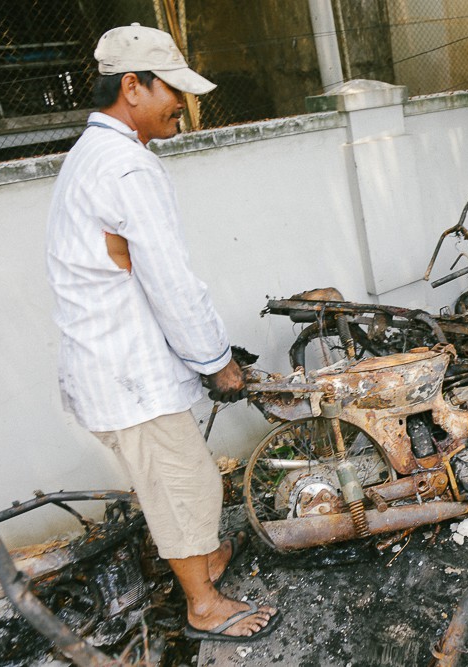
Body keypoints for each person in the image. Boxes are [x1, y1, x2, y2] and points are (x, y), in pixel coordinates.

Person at [46, 24, 278, 641]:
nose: (183, 102)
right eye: (172, 89)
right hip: (126, 372)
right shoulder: (125, 167)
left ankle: (203, 564)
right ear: (132, 87)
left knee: (184, 477)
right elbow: (170, 281)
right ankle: (203, 606)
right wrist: (217, 361)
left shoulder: (97, 156)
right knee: (183, 486)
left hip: (116, 365)